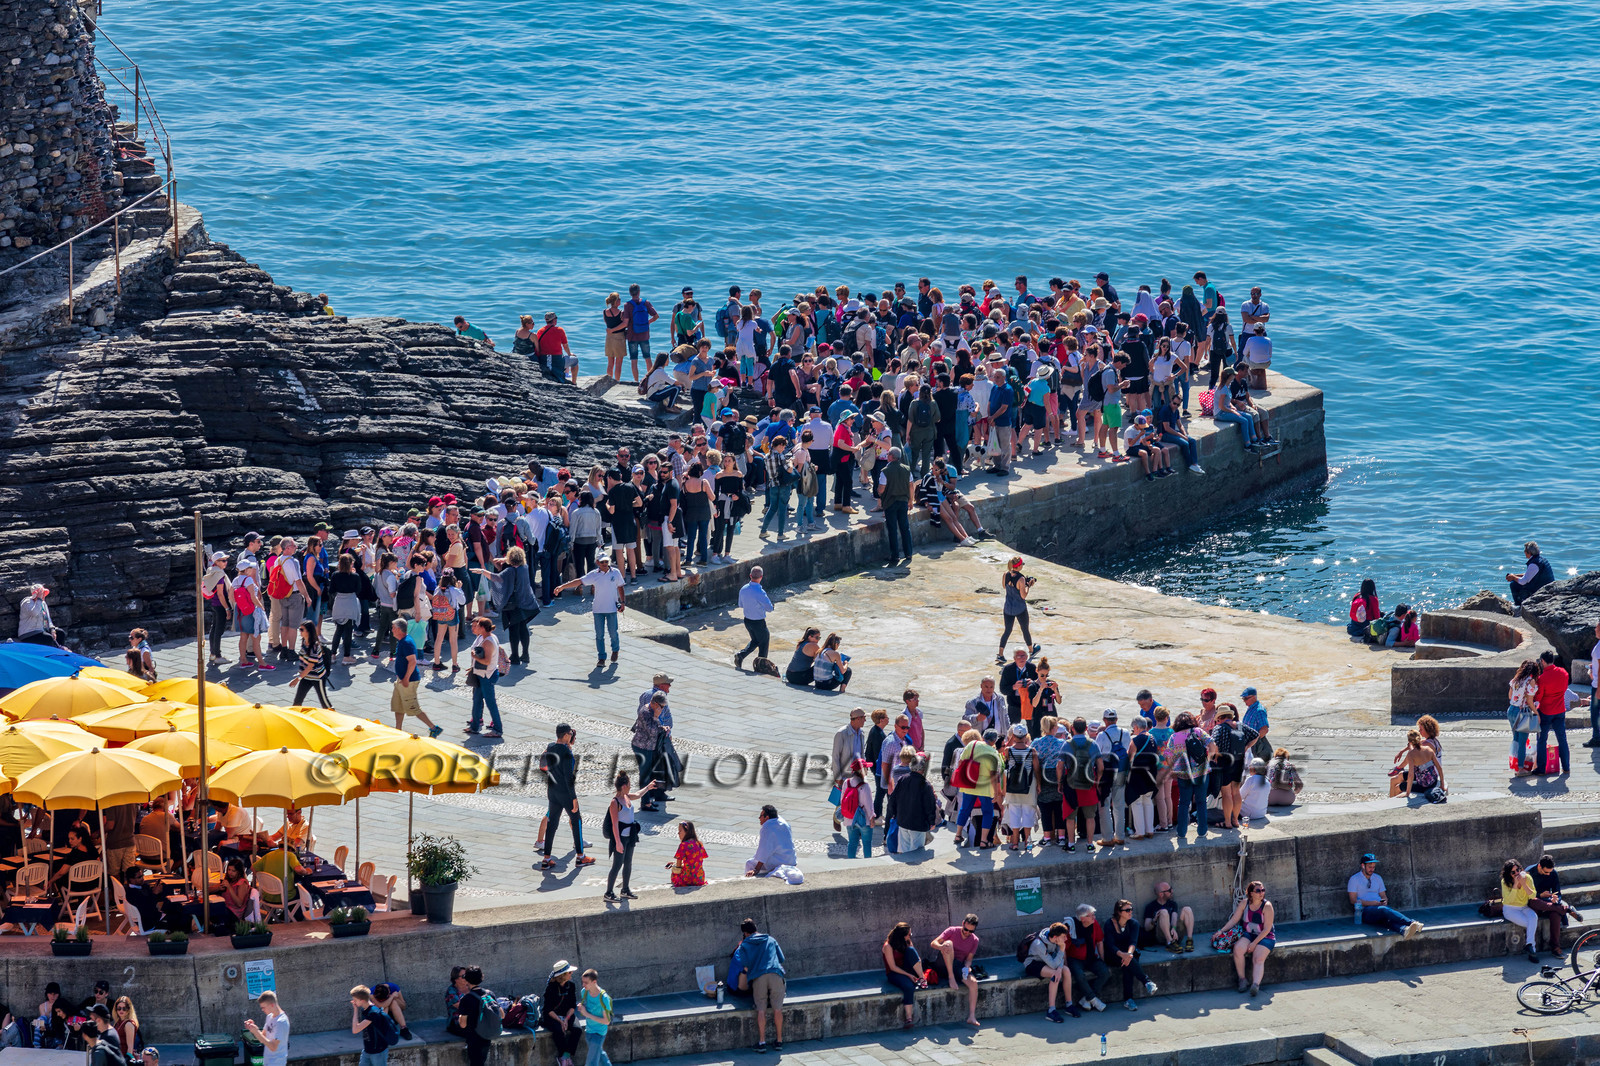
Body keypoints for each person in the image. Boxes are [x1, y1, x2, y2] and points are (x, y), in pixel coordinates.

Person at [553, 552, 626, 669]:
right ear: (597, 563)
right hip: (598, 609)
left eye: (606, 561)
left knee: (613, 633)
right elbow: (579, 581)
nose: (605, 564)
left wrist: (622, 602)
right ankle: (601, 657)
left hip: (612, 608)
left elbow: (620, 587)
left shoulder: (615, 573)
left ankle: (615, 650)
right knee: (599, 635)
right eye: (602, 562)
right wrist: (562, 587)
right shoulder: (594, 575)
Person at [538, 724, 594, 870]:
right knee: (577, 821)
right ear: (565, 735)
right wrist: (574, 799)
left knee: (553, 823)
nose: (571, 735)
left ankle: (546, 858)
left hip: (552, 791)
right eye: (570, 733)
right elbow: (569, 778)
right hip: (565, 793)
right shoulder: (567, 754)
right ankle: (581, 857)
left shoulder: (550, 747)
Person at [733, 919, 786, 1051]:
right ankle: (779, 1041)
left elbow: (745, 964)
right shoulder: (771, 939)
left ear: (745, 933)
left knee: (761, 1009)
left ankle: (762, 1042)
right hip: (775, 974)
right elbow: (782, 959)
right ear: (756, 928)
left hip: (759, 977)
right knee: (777, 1009)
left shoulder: (744, 944)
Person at [1216, 881, 1275, 996]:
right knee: (1238, 949)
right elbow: (1234, 920)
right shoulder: (1245, 903)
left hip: (1265, 936)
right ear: (1251, 893)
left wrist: (1254, 943)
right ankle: (1242, 979)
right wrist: (1221, 931)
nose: (1261, 893)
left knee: (1258, 958)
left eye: (1263, 890)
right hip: (1249, 934)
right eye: (1258, 891)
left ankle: (1255, 985)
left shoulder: (1267, 906)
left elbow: (1267, 929)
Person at [602, 771, 654, 902]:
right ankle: (608, 892)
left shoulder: (627, 797)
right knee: (617, 865)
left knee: (628, 863)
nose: (631, 787)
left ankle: (625, 890)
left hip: (630, 836)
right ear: (624, 786)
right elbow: (614, 824)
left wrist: (648, 787)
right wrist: (618, 843)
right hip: (620, 838)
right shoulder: (615, 802)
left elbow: (638, 794)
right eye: (629, 784)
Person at [1165, 711, 1216, 840]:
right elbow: (1212, 746)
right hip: (1201, 773)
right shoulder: (1198, 731)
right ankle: (1202, 831)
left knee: (1183, 803)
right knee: (1201, 803)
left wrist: (1174, 770)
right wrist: (1207, 760)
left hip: (1183, 774)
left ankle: (1181, 833)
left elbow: (1168, 756)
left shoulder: (1174, 737)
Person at [1348, 853, 1424, 939]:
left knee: (1386, 919)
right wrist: (1373, 903)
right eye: (1369, 867)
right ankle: (1412, 923)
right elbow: (1353, 900)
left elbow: (1383, 896)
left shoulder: (1377, 878)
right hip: (1364, 911)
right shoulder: (1354, 879)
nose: (1372, 869)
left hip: (1380, 908)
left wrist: (1384, 901)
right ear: (1363, 865)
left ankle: (1404, 930)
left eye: (1373, 867)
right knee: (1384, 910)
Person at [388, 619, 442, 738]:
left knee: (413, 708)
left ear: (398, 629)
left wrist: (406, 678)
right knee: (398, 706)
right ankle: (398, 730)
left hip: (408, 681)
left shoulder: (406, 642)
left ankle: (434, 728)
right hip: (402, 680)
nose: (391, 630)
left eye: (393, 628)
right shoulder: (403, 641)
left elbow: (412, 662)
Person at [930, 914, 982, 1028]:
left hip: (958, 965)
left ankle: (972, 1016)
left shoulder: (974, 940)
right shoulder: (952, 930)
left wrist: (967, 967)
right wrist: (941, 947)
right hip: (943, 962)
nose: (967, 933)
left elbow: (968, 960)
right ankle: (951, 977)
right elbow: (933, 943)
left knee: (973, 983)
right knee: (949, 944)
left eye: (971, 931)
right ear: (963, 923)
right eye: (965, 929)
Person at [1104, 900, 1157, 1011]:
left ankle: (1129, 1000)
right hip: (1113, 953)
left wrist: (1128, 954)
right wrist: (1122, 955)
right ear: (1119, 911)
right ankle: (1146, 982)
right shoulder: (1109, 924)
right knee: (1128, 963)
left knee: (1128, 965)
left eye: (1131, 909)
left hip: (1129, 953)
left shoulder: (1133, 924)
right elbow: (1110, 944)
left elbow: (1133, 942)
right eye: (1127, 910)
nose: (1130, 912)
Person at [1528, 854, 1584, 958]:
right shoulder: (1529, 872)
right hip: (1534, 902)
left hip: (1548, 902)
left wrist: (1556, 898)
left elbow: (1557, 892)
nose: (1548, 874)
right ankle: (1566, 909)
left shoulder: (1553, 873)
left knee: (1556, 913)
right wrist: (1539, 895)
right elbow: (1525, 894)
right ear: (1539, 866)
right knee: (1535, 903)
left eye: (1550, 872)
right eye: (1546, 872)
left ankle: (1555, 948)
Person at [1024, 921, 1078, 1022]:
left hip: (1050, 962)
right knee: (1055, 974)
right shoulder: (1039, 944)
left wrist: (1060, 968)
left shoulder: (1056, 939)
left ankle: (1069, 1004)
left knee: (1066, 970)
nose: (1066, 939)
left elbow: (1059, 959)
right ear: (1055, 937)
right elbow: (1054, 963)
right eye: (1063, 936)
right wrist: (1062, 950)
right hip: (1033, 964)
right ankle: (1051, 1010)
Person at [886, 753, 938, 854]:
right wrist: (932, 821)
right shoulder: (925, 784)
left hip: (902, 821)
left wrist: (894, 814)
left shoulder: (902, 779)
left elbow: (893, 799)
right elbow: (930, 806)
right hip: (918, 824)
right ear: (923, 769)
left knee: (903, 850)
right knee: (916, 852)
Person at [1064, 904, 1109, 1013]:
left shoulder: (1094, 924)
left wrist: (1102, 960)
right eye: (1091, 915)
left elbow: (1099, 942)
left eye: (1094, 915)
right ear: (1083, 918)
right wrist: (1065, 966)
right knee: (1079, 975)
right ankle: (1094, 1000)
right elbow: (1063, 948)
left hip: (1091, 957)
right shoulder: (1071, 927)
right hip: (1075, 959)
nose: (1094, 917)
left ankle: (1087, 999)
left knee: (1105, 972)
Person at [881, 922, 925, 1029]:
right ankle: (908, 1018)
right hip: (894, 973)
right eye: (908, 934)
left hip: (907, 969)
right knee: (908, 986)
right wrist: (909, 975)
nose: (910, 936)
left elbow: (916, 959)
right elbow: (892, 967)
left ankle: (923, 978)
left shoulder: (907, 942)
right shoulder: (888, 946)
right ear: (901, 936)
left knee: (911, 950)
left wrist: (916, 964)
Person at [1534, 650, 1571, 776]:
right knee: (1562, 739)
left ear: (1543, 661)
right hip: (1560, 710)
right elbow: (1565, 689)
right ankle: (1566, 767)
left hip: (1546, 711)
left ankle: (1541, 769)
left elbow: (1538, 697)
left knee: (1542, 739)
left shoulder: (1542, 679)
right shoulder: (1564, 673)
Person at [997, 557, 1039, 663]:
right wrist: (1028, 585)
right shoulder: (1021, 579)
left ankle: (1000, 654)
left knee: (1007, 630)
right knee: (1025, 629)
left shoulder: (1005, 574)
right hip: (1020, 608)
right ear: (1019, 566)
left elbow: (1004, 586)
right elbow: (1023, 595)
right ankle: (1031, 650)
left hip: (1008, 607)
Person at [465, 617, 502, 737]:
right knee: (476, 700)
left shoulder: (488, 641)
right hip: (482, 674)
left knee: (490, 703)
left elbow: (486, 661)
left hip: (487, 675)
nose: (475, 628)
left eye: (478, 626)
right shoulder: (487, 638)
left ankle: (497, 729)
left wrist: (474, 657)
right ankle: (474, 726)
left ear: (482, 628)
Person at [1501, 859, 1543, 963]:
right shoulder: (1504, 882)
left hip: (1523, 907)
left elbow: (1533, 895)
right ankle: (1532, 949)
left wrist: (1524, 883)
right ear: (1508, 873)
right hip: (1510, 909)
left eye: (1518, 870)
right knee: (1530, 923)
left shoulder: (1527, 878)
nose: (1517, 873)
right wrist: (1515, 885)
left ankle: (1529, 945)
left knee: (1534, 917)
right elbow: (1508, 900)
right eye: (1513, 872)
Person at [541, 962, 581, 1066]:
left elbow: (572, 1005)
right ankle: (563, 1058)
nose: (571, 974)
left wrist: (566, 1019)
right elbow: (548, 1009)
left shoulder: (571, 986)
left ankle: (565, 1056)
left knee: (577, 1029)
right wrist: (560, 1021)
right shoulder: (551, 988)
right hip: (552, 1015)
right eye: (569, 972)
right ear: (562, 975)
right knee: (558, 1030)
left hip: (566, 1014)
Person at [733, 567, 774, 670]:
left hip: (747, 620)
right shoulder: (760, 592)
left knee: (755, 640)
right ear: (761, 577)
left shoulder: (743, 589)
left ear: (750, 576)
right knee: (764, 642)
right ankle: (761, 665)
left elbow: (740, 605)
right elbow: (769, 608)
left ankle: (741, 655)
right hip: (758, 622)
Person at [745, 804, 797, 878]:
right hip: (791, 860)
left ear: (767, 817)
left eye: (761, 816)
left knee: (749, 863)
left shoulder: (767, 827)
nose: (759, 818)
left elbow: (764, 850)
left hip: (779, 862)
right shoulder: (783, 822)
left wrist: (756, 870)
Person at [1143, 882, 1195, 954]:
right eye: (1169, 890)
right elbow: (1146, 927)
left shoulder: (1172, 903)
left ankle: (1189, 940)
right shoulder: (1150, 907)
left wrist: (1173, 928)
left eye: (1171, 889)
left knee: (1187, 909)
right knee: (1163, 912)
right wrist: (1154, 920)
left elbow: (1174, 917)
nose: (1172, 891)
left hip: (1175, 935)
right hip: (1162, 936)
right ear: (1161, 894)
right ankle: (1170, 943)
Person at [290, 621, 332, 708]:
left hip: (317, 677)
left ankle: (334, 717)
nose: (300, 631)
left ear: (308, 631)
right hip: (306, 676)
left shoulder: (314, 647)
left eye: (302, 630)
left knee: (324, 702)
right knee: (297, 701)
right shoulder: (304, 642)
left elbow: (310, 666)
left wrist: (297, 679)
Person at [1506, 540, 1556, 608]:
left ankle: (1519, 606)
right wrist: (1514, 575)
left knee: (1514, 584)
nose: (1524, 552)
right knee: (1516, 581)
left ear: (1529, 552)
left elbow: (1523, 581)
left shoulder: (1534, 564)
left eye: (1525, 551)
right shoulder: (1540, 559)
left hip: (1542, 589)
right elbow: (1529, 574)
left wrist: (1513, 578)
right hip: (1548, 586)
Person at [244, 991, 289, 1066]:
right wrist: (253, 1029)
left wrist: (256, 1032)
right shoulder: (269, 1017)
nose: (262, 1010)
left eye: (263, 1007)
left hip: (277, 1063)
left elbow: (273, 1047)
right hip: (267, 1061)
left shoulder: (281, 1022)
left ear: (272, 1005)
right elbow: (262, 1038)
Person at [350, 986, 391, 1066]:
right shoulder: (366, 1010)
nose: (353, 1002)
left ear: (361, 1000)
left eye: (355, 1000)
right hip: (367, 1050)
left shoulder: (373, 1013)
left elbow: (355, 1030)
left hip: (378, 1052)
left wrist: (355, 1010)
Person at [665, 820, 706, 887]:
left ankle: (676, 885)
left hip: (688, 879)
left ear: (687, 832)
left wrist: (674, 865)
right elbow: (695, 860)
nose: (678, 833)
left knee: (674, 871)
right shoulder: (699, 843)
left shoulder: (683, 845)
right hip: (699, 878)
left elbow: (678, 866)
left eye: (680, 831)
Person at [1240, 759, 1271, 824]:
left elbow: (1240, 796)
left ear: (1253, 769)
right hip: (1261, 813)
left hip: (1249, 813)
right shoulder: (1267, 781)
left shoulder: (1251, 779)